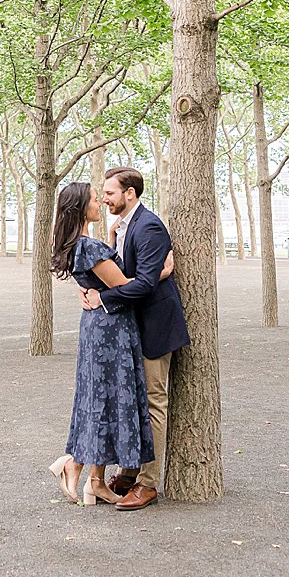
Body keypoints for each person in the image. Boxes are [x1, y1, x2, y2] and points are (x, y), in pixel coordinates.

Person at [47, 181, 171, 507]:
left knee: (101, 398)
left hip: (100, 325)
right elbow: (128, 285)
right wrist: (160, 272)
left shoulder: (83, 243)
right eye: (93, 199)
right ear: (80, 209)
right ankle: (75, 464)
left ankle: (94, 480)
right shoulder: (88, 246)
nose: (99, 203)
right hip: (111, 330)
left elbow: (106, 280)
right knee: (108, 400)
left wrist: (112, 248)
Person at [79, 167, 190, 511]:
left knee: (153, 403)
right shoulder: (120, 228)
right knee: (132, 403)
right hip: (129, 329)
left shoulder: (150, 226)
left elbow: (142, 284)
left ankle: (148, 483)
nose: (106, 198)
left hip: (154, 327)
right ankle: (128, 473)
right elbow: (126, 274)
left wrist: (103, 299)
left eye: (110, 192)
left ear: (130, 193)